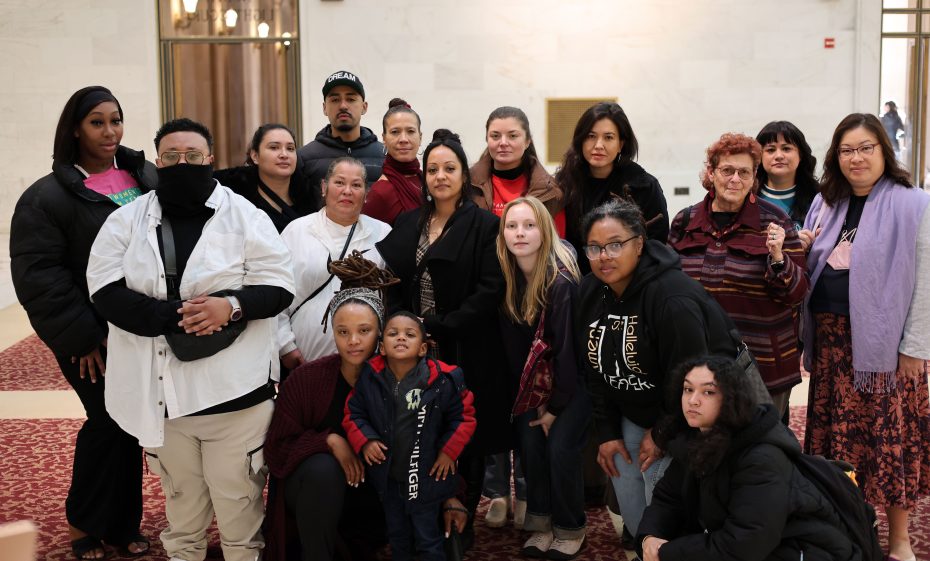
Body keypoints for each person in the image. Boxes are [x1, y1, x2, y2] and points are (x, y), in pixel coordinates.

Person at [86, 118, 295, 561]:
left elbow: (279, 285)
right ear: (158, 161)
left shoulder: (246, 216)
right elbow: (104, 290)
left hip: (236, 399)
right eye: (173, 156)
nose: (184, 163)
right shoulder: (125, 220)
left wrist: (230, 306)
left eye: (194, 156)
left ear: (211, 159)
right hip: (163, 400)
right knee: (182, 519)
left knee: (240, 518)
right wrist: (173, 318)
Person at [10, 86, 154, 560]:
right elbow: (40, 278)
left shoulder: (144, 177)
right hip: (90, 333)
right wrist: (84, 337)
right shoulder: (47, 196)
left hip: (140, 326)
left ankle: (122, 524)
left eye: (116, 120)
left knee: (132, 423)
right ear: (75, 128)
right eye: (97, 122)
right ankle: (84, 522)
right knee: (106, 419)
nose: (110, 131)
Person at [264, 253, 470, 561]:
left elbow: (433, 438)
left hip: (384, 490)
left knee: (447, 539)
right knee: (323, 470)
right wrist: (329, 441)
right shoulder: (307, 380)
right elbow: (277, 450)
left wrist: (450, 494)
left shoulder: (409, 378)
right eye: (343, 332)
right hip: (317, 495)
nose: (353, 341)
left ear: (382, 336)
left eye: (365, 330)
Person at [577, 199, 751, 541]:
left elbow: (692, 380)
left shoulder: (672, 298)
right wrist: (607, 431)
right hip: (634, 407)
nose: (604, 256)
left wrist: (661, 434)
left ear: (639, 243)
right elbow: (594, 368)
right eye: (594, 248)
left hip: (693, 413)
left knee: (664, 508)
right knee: (633, 506)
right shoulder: (590, 290)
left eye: (615, 245)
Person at [802, 113, 930, 561]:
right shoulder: (826, 202)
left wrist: (915, 347)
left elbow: (926, 280)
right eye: (847, 150)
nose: (856, 158)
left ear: (884, 151)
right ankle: (845, 528)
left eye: (866, 148)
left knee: (888, 445)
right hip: (833, 346)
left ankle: (899, 539)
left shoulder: (915, 203)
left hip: (886, 352)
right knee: (836, 448)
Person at [376, 129, 509, 549]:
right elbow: (393, 280)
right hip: (412, 349)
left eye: (449, 168)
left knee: (459, 433)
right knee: (415, 430)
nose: (440, 176)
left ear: (463, 174)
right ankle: (418, 520)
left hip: (463, 344)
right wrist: (403, 327)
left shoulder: (486, 224)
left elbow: (490, 290)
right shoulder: (408, 222)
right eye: (432, 169)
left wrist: (437, 325)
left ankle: (459, 521)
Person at [636, 356, 860, 561]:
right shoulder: (696, 437)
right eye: (687, 389)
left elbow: (746, 543)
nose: (692, 400)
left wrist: (667, 553)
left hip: (801, 550)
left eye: (708, 392)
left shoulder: (761, 457)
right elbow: (668, 500)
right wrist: (649, 538)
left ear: (731, 397)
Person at [668, 133, 808, 416]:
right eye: (727, 170)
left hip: (762, 365)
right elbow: (670, 285)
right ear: (711, 172)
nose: (735, 179)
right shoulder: (685, 221)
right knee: (704, 447)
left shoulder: (775, 221)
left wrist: (778, 257)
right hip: (699, 360)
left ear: (754, 176)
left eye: (744, 172)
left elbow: (797, 292)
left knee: (759, 450)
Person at [497, 197, 589, 559]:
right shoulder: (507, 274)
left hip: (574, 383)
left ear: (545, 230)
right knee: (529, 442)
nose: (520, 233)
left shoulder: (561, 280)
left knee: (561, 446)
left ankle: (570, 526)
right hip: (535, 383)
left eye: (529, 226)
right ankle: (541, 522)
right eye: (512, 226)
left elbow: (569, 354)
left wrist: (554, 407)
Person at [344, 311, 476, 561]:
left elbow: (464, 418)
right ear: (382, 347)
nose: (401, 338)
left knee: (428, 539)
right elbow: (353, 413)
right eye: (393, 334)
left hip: (426, 477)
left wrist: (449, 452)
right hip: (390, 478)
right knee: (398, 537)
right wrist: (367, 440)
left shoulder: (444, 380)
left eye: (410, 334)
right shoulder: (370, 379)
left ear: (423, 348)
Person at [277, 156, 392, 370]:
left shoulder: (383, 233)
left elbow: (391, 297)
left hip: (368, 364)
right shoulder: (297, 231)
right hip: (303, 360)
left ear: (366, 194)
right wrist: (285, 346)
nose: (347, 191)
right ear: (324, 187)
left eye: (356, 185)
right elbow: (277, 293)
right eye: (339, 182)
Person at [556, 101, 669, 275]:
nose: (598, 145)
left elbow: (656, 246)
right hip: (578, 284)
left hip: (629, 284)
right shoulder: (565, 183)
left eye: (608, 137)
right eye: (591, 136)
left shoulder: (643, 186)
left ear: (621, 144)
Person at [471, 106, 564, 234]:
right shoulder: (468, 185)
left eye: (513, 136)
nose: (503, 142)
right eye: (495, 136)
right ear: (487, 139)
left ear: (527, 142)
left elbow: (558, 245)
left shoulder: (550, 192)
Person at [213, 123, 317, 232]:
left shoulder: (312, 198)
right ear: (255, 156)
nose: (284, 154)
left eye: (290, 148)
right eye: (274, 147)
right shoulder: (233, 198)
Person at [298, 70, 384, 192]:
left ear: (364, 107)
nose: (343, 106)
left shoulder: (385, 157)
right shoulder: (304, 158)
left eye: (350, 99)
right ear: (324, 108)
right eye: (335, 100)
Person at [755, 121, 819, 245]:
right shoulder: (747, 198)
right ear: (759, 157)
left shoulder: (820, 199)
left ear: (800, 155)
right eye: (770, 150)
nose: (779, 155)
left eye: (786, 148)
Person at [362, 98, 423, 225]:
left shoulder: (428, 180)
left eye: (411, 131)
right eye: (395, 132)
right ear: (384, 138)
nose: (403, 139)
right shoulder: (380, 193)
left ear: (420, 137)